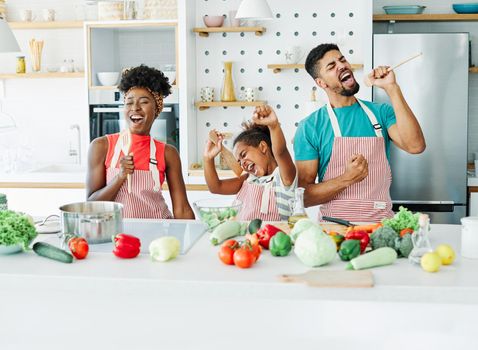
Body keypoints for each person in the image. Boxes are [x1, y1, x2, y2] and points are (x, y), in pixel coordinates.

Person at [294, 43, 426, 222]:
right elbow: (304, 197)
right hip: (334, 230)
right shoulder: (309, 127)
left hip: (381, 225)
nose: (342, 65)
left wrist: (392, 88)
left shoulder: (381, 113)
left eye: (342, 60)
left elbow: (416, 146)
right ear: (321, 82)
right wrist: (347, 179)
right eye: (331, 66)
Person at [86, 65, 194, 219]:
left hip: (159, 235)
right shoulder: (101, 146)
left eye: (143, 102)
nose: (135, 108)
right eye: (129, 102)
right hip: (118, 237)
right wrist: (120, 176)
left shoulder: (168, 153)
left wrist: (192, 239)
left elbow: (182, 209)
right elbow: (91, 206)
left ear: (156, 109)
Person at [204, 105, 297, 221]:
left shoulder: (285, 178)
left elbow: (280, 152)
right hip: (246, 238)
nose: (242, 164)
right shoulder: (248, 179)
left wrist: (274, 126)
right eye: (239, 162)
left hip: (274, 238)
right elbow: (215, 187)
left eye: (243, 155)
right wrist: (208, 158)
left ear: (263, 147)